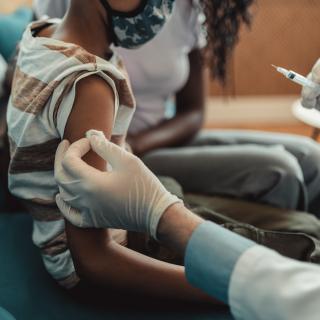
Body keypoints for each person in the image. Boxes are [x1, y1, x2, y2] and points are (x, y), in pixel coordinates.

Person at [55, 55, 320, 317]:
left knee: (303, 226)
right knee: (307, 207)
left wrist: (162, 214)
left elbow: (274, 288)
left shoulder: (92, 81)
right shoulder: (87, 78)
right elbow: (92, 258)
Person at [7, 0, 223, 303]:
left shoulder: (39, 36)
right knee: (280, 251)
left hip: (65, 240)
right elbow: (94, 260)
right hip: (99, 259)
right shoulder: (90, 84)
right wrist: (226, 289)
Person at [34, 0, 320, 215]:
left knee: (311, 157)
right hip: (111, 154)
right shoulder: (71, 11)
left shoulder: (183, 8)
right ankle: (288, 257)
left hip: (152, 138)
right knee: (279, 171)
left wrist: (137, 141)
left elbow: (193, 112)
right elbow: (37, 73)